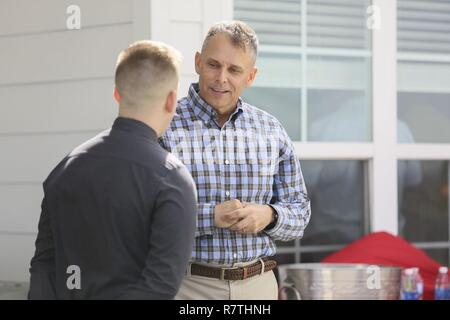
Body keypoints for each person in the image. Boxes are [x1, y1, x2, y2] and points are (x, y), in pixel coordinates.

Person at [28, 41, 198, 299]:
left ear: (117, 94)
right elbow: (160, 287)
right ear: (172, 100)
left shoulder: (64, 169)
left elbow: (44, 268)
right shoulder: (172, 179)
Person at [159, 21, 311, 299]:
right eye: (213, 65)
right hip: (187, 287)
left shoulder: (271, 129)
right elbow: (143, 215)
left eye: (234, 70)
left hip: (259, 286)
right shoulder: (163, 125)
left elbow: (300, 212)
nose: (221, 78)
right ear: (197, 62)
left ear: (250, 76)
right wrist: (211, 217)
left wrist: (270, 215)